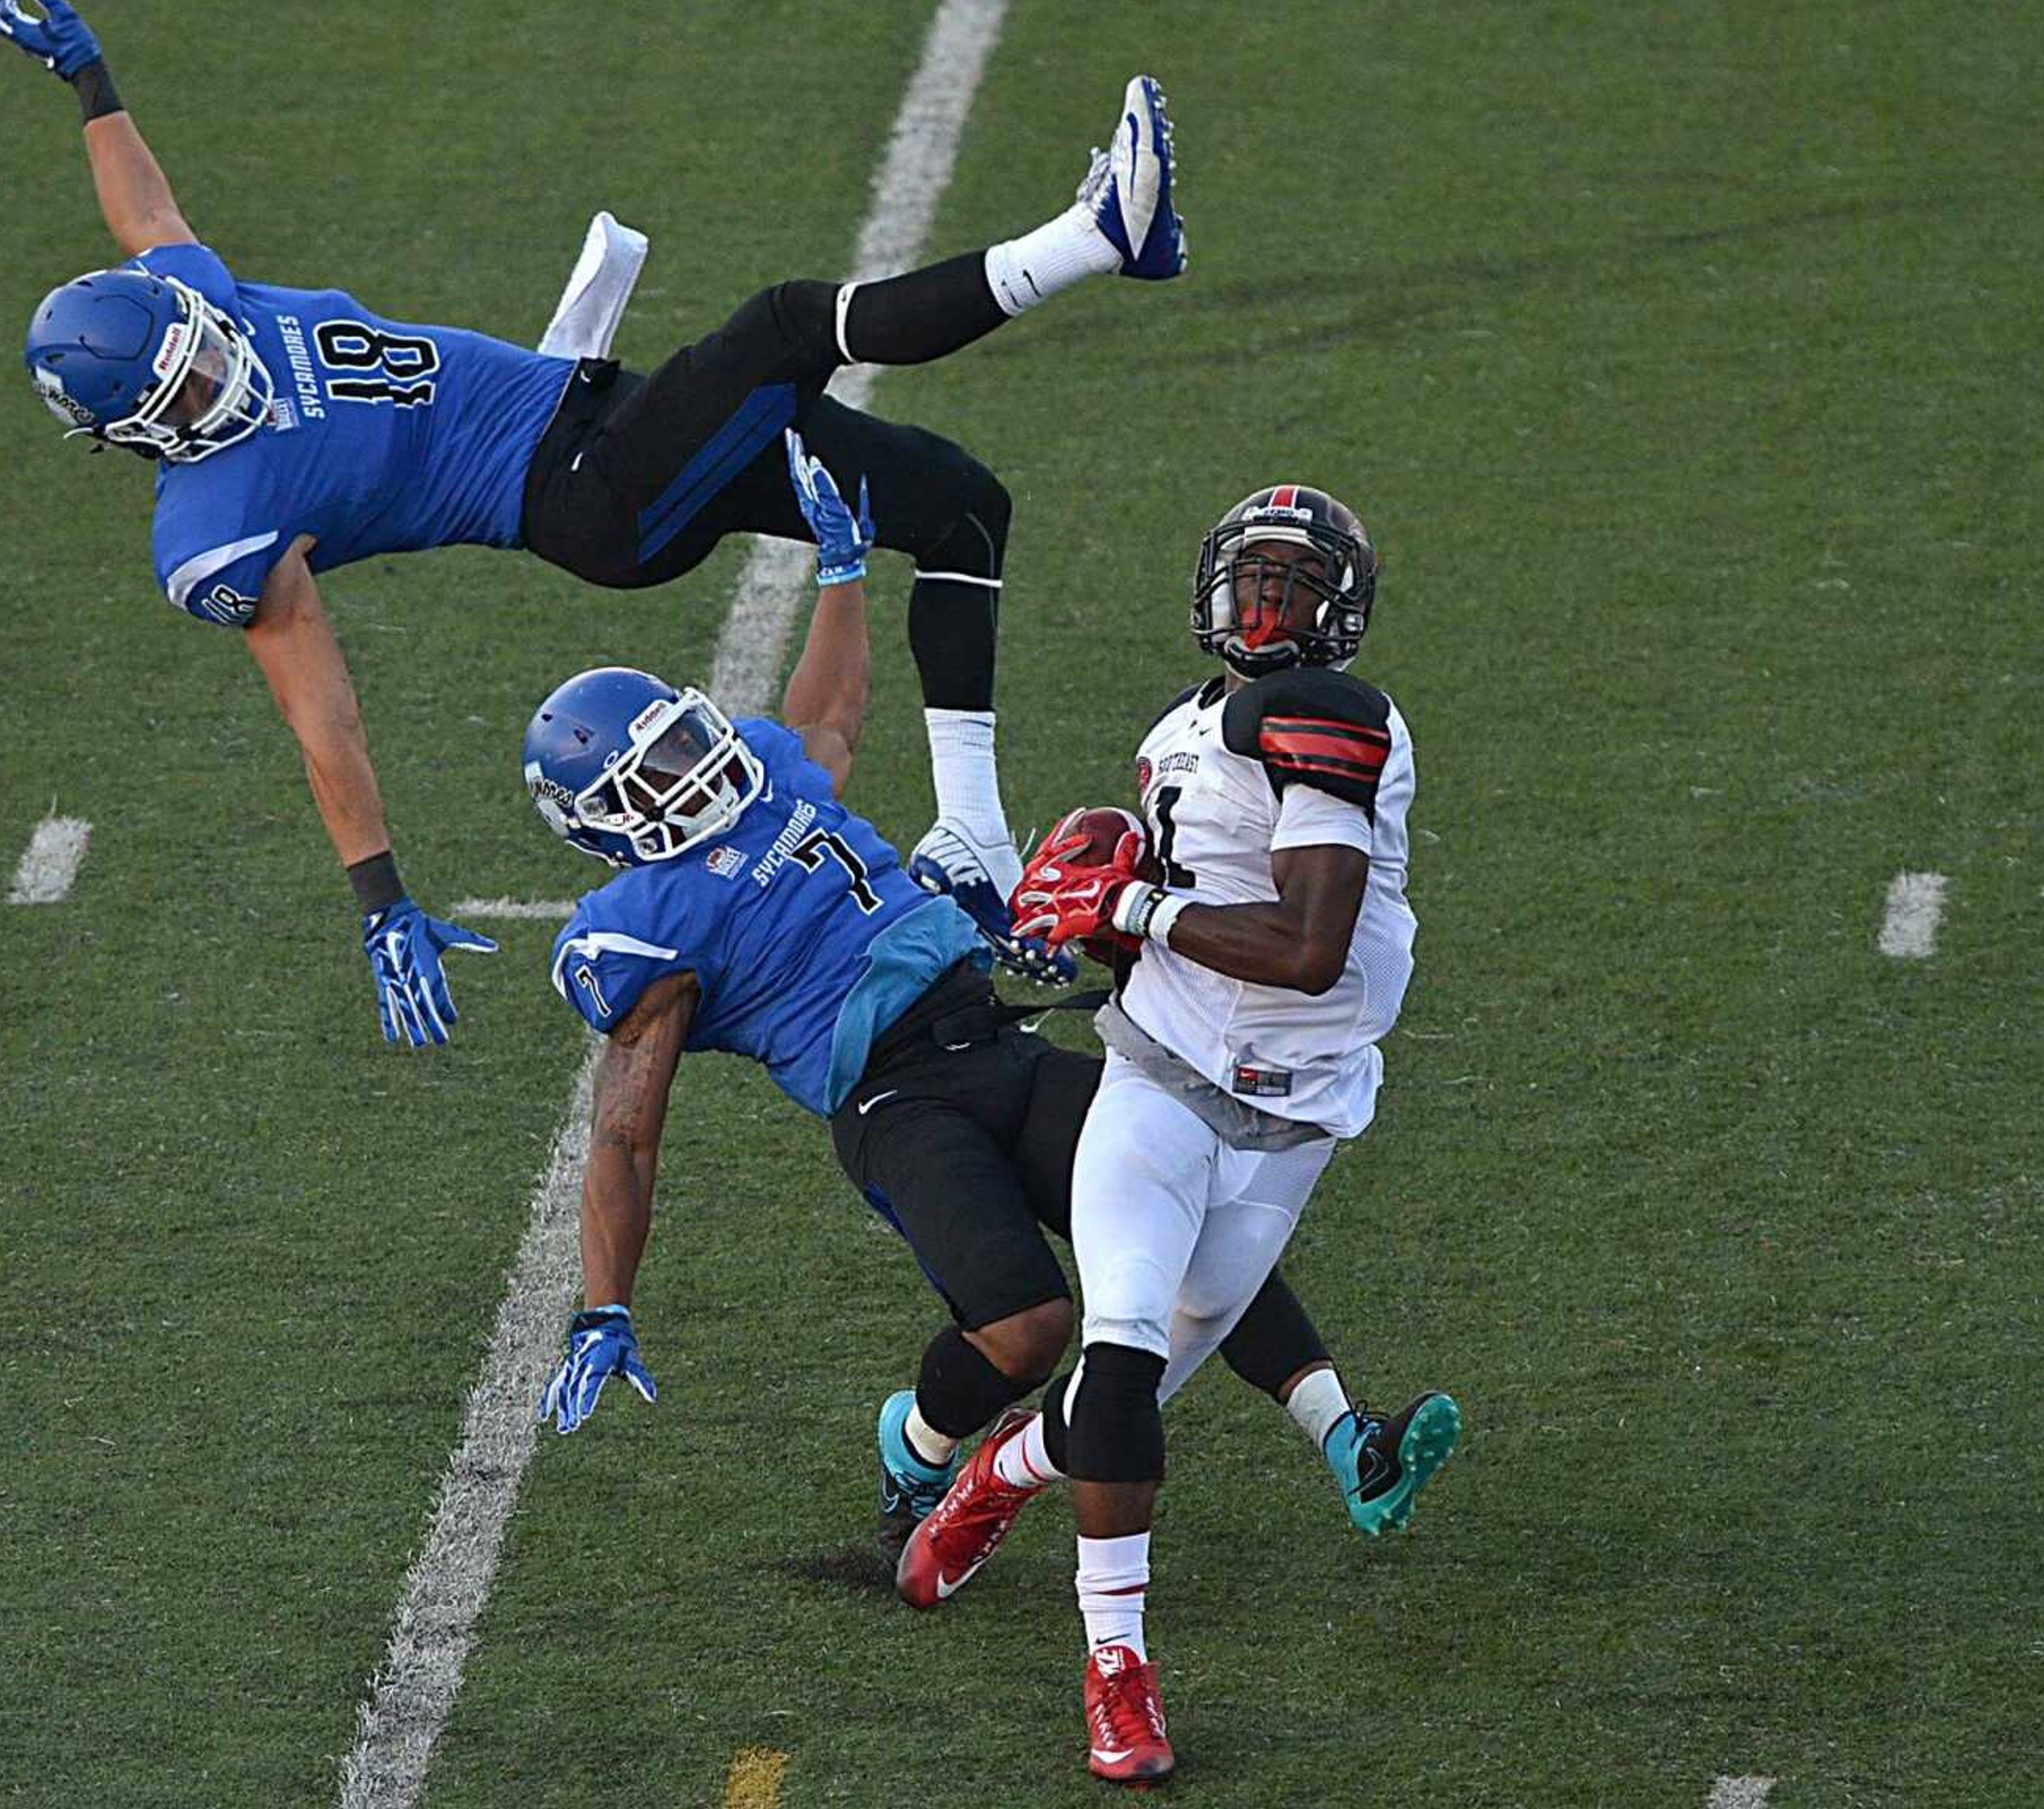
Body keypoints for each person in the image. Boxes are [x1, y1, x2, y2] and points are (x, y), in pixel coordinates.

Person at [0, 0, 1192, 1045]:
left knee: (960, 510)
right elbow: (323, 712)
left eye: (197, 351)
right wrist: (378, 895)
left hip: (600, 414)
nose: (214, 375)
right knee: (780, 326)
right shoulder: (217, 525)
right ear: (130, 435)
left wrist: (90, 80)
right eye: (182, 390)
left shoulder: (199, 292)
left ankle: (973, 842)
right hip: (592, 497)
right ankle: (1093, 240)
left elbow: (147, 217)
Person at [527, 442, 1409, 1573]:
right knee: (1028, 1328)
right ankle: (922, 1442)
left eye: (682, 744)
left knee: (1189, 1218)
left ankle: (1341, 1431)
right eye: (646, 781)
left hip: (991, 1033)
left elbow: (830, 718)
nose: (687, 773)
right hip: (894, 1100)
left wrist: (842, 568)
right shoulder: (643, 924)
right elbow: (622, 1133)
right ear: (599, 825)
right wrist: (606, 1301)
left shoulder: (761, 774)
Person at [894, 484, 1464, 1786]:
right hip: (1156, 1075)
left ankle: (1000, 1476)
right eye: (1250, 577)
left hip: (1292, 1113)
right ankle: (1116, 1671)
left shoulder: (1329, 716)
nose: (1266, 602)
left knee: (1122, 1400)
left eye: (1294, 582)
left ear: (1341, 612)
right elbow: (1158, 905)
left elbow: (1312, 952)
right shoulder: (1177, 734)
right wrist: (1087, 915)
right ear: (1211, 590)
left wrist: (1134, 907)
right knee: (1123, 1342)